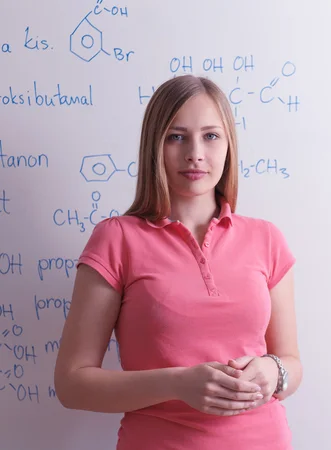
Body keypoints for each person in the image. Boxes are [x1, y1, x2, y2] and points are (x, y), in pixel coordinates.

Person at [54, 74, 302, 450]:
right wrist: (176, 383)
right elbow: (72, 384)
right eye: (176, 136)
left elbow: (291, 362)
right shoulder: (116, 238)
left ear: (229, 145)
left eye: (211, 136)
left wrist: (275, 371)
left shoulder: (267, 238)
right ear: (155, 144)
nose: (195, 153)